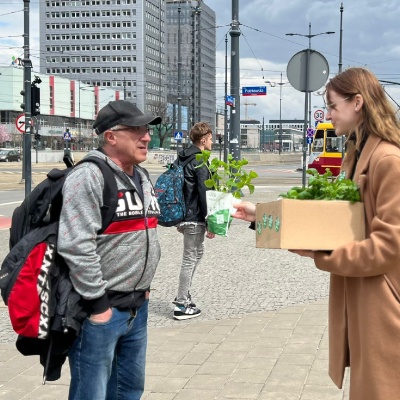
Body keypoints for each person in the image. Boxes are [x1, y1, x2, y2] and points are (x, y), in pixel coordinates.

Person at [233, 67, 400, 400]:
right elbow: (329, 218)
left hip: (384, 302)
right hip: (366, 295)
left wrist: (324, 255)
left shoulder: (388, 160)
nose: (328, 113)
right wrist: (261, 215)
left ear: (358, 103)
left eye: (333, 105)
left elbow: (389, 246)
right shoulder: (357, 154)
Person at [57, 100, 162, 400]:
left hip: (136, 308)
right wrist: (99, 306)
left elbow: (145, 229)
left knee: (129, 390)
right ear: (111, 137)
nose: (146, 136)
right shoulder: (88, 176)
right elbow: (76, 246)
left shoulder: (141, 176)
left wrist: (144, 288)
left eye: (146, 129)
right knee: (92, 394)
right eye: (137, 130)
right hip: (100, 312)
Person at [172, 121, 215, 320]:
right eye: (211, 138)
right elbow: (204, 192)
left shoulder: (182, 158)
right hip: (194, 216)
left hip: (183, 214)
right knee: (190, 258)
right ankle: (181, 303)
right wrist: (210, 221)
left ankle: (184, 294)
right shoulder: (199, 160)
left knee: (197, 253)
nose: (213, 141)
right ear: (204, 139)